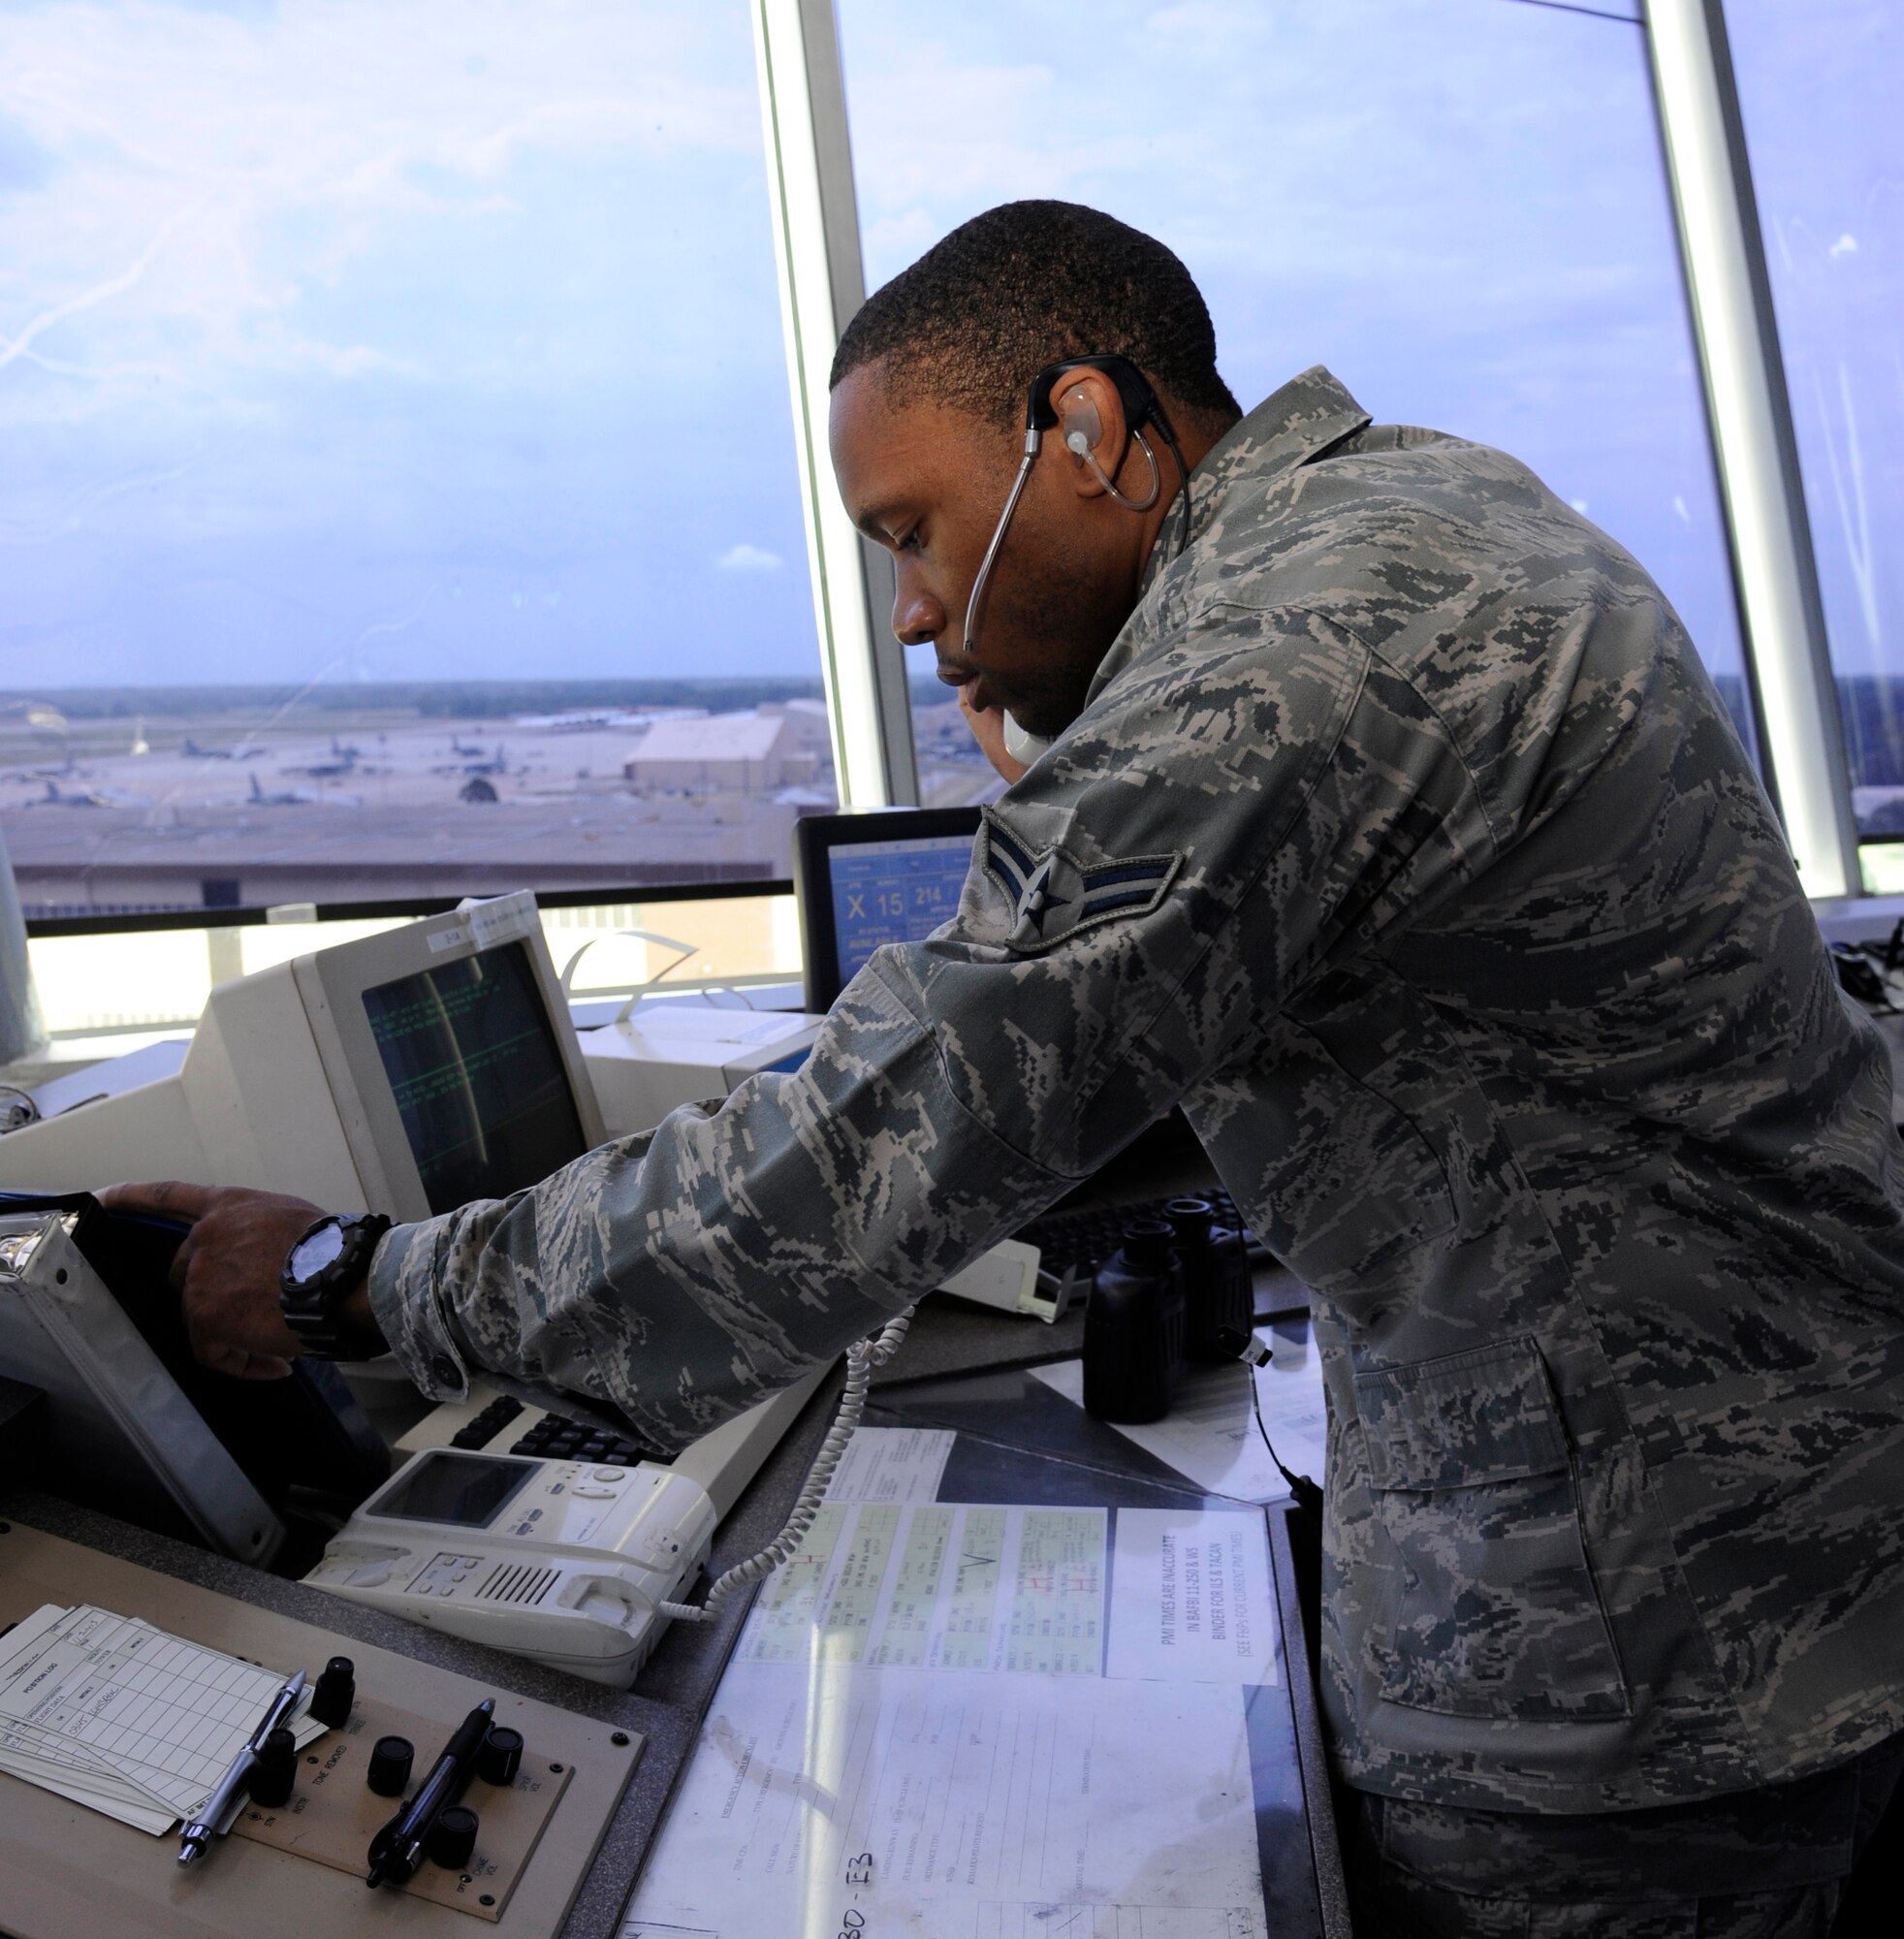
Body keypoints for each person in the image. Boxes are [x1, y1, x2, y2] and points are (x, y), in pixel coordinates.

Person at [105, 200, 1904, 1932]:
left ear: (1091, 428)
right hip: (1768, 1530)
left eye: (914, 526)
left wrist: (369, 1277)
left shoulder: (1285, 654)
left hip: (1645, 1649)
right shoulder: (1407, 516)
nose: (906, 608)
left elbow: (897, 1121)